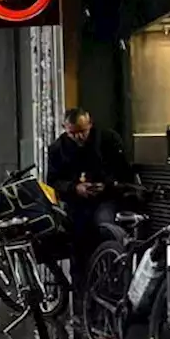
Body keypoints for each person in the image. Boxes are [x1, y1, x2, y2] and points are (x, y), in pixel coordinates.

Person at [46, 107, 133, 284]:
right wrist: (74, 188)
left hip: (106, 198)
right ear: (65, 127)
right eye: (73, 133)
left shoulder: (108, 140)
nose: (78, 137)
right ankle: (81, 287)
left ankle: (113, 274)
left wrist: (107, 185)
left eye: (82, 131)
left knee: (105, 227)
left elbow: (123, 170)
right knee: (77, 241)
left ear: (90, 125)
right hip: (77, 203)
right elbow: (53, 180)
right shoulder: (57, 148)